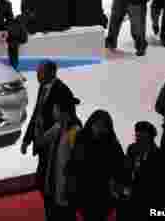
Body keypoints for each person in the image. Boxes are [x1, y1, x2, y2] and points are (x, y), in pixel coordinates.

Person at [21, 61, 76, 192]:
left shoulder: (62, 91)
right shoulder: (44, 87)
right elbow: (37, 113)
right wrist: (27, 139)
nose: (37, 75)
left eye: (40, 72)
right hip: (42, 144)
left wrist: (48, 137)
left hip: (54, 145)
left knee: (48, 181)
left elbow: (66, 120)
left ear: (51, 73)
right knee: (43, 180)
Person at [68, 110, 125, 221]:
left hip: (102, 193)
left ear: (108, 127)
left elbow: (120, 167)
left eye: (103, 125)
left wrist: (115, 191)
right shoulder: (81, 138)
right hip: (83, 191)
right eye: (97, 124)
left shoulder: (112, 143)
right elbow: (74, 163)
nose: (99, 128)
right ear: (91, 123)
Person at [34, 91, 81, 221]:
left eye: (55, 108)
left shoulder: (74, 132)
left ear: (63, 111)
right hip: (52, 184)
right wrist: (39, 126)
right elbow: (41, 141)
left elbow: (77, 163)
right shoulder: (58, 127)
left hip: (64, 188)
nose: (53, 111)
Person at [120, 121, 165, 221]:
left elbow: (164, 186)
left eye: (142, 136)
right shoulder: (132, 150)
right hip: (131, 201)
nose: (138, 139)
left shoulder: (160, 157)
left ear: (151, 137)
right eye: (137, 136)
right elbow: (126, 171)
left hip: (150, 202)